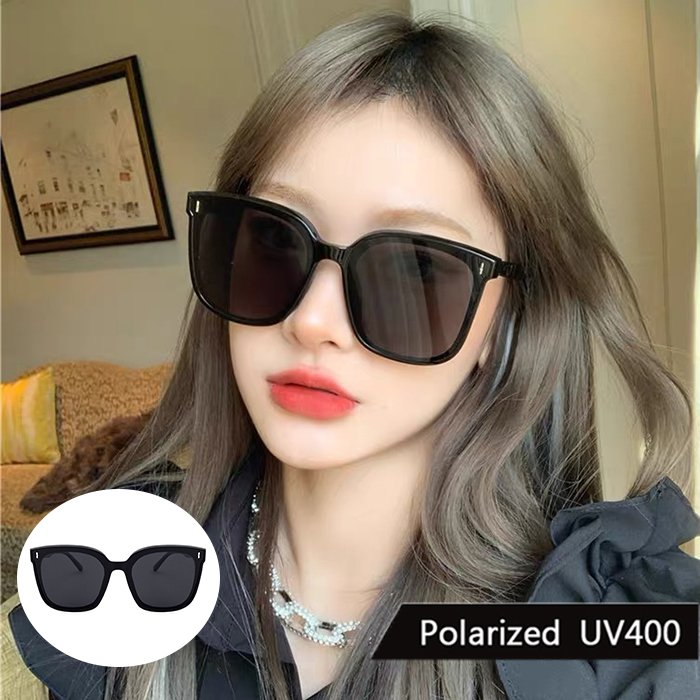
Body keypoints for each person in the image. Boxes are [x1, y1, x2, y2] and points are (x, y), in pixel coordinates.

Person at [5, 9, 699, 700]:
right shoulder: (112, 563)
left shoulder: (618, 639)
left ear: (505, 322)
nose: (312, 321)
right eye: (273, 240)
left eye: (415, 268)